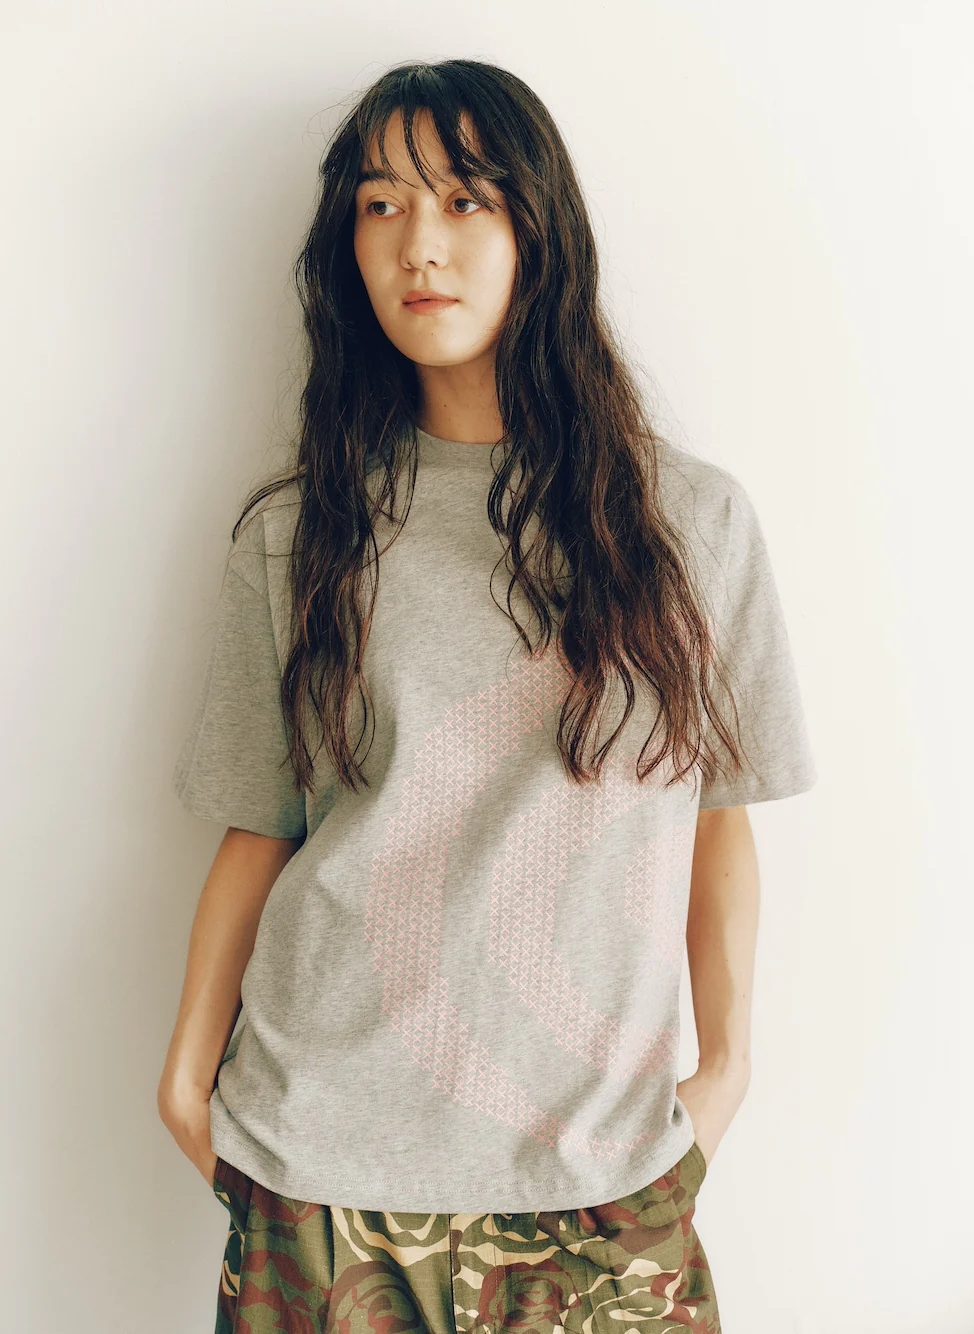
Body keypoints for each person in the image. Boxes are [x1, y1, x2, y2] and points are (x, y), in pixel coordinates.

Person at [158, 58, 817, 1334]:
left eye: (464, 200)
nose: (420, 243)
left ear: (538, 229)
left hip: (605, 1184)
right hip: (323, 1172)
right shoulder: (299, 535)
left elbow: (718, 814)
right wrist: (186, 1080)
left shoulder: (689, 523)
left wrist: (726, 1071)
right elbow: (260, 824)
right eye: (381, 204)